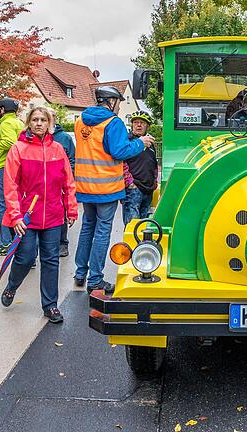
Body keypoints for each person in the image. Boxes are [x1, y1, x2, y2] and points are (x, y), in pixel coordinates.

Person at [0, 107, 78, 323]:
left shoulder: (58, 149)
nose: (39, 123)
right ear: (29, 123)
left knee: (51, 260)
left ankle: (50, 306)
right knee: (25, 258)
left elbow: (68, 182)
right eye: (35, 119)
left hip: (53, 215)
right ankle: (12, 286)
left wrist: (71, 208)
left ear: (50, 123)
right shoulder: (19, 149)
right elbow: (10, 185)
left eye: (43, 119)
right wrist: (15, 216)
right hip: (26, 217)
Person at [73, 86, 154, 294]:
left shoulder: (81, 121)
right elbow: (120, 151)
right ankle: (96, 280)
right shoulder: (112, 122)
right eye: (118, 102)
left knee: (87, 228)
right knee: (102, 232)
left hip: (85, 186)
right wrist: (140, 143)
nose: (119, 107)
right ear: (111, 102)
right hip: (106, 187)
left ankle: (80, 273)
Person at [0, 97, 25, 256]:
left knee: (2, 205)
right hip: (19, 167)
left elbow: (10, 142)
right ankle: (17, 241)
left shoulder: (6, 123)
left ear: (2, 110)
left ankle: (5, 243)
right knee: (15, 204)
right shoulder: (19, 123)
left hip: (5, 166)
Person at [122, 111, 158, 225]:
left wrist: (155, 181)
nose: (138, 125)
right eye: (136, 122)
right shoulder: (127, 141)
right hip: (134, 189)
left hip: (148, 189)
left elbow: (153, 163)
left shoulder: (150, 142)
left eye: (142, 123)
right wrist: (129, 182)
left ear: (147, 126)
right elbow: (121, 163)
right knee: (132, 226)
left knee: (145, 227)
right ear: (132, 125)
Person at [51, 112, 76, 258]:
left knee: (61, 214)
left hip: (60, 183)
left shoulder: (64, 138)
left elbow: (72, 159)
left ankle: (62, 244)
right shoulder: (35, 138)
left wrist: (68, 176)